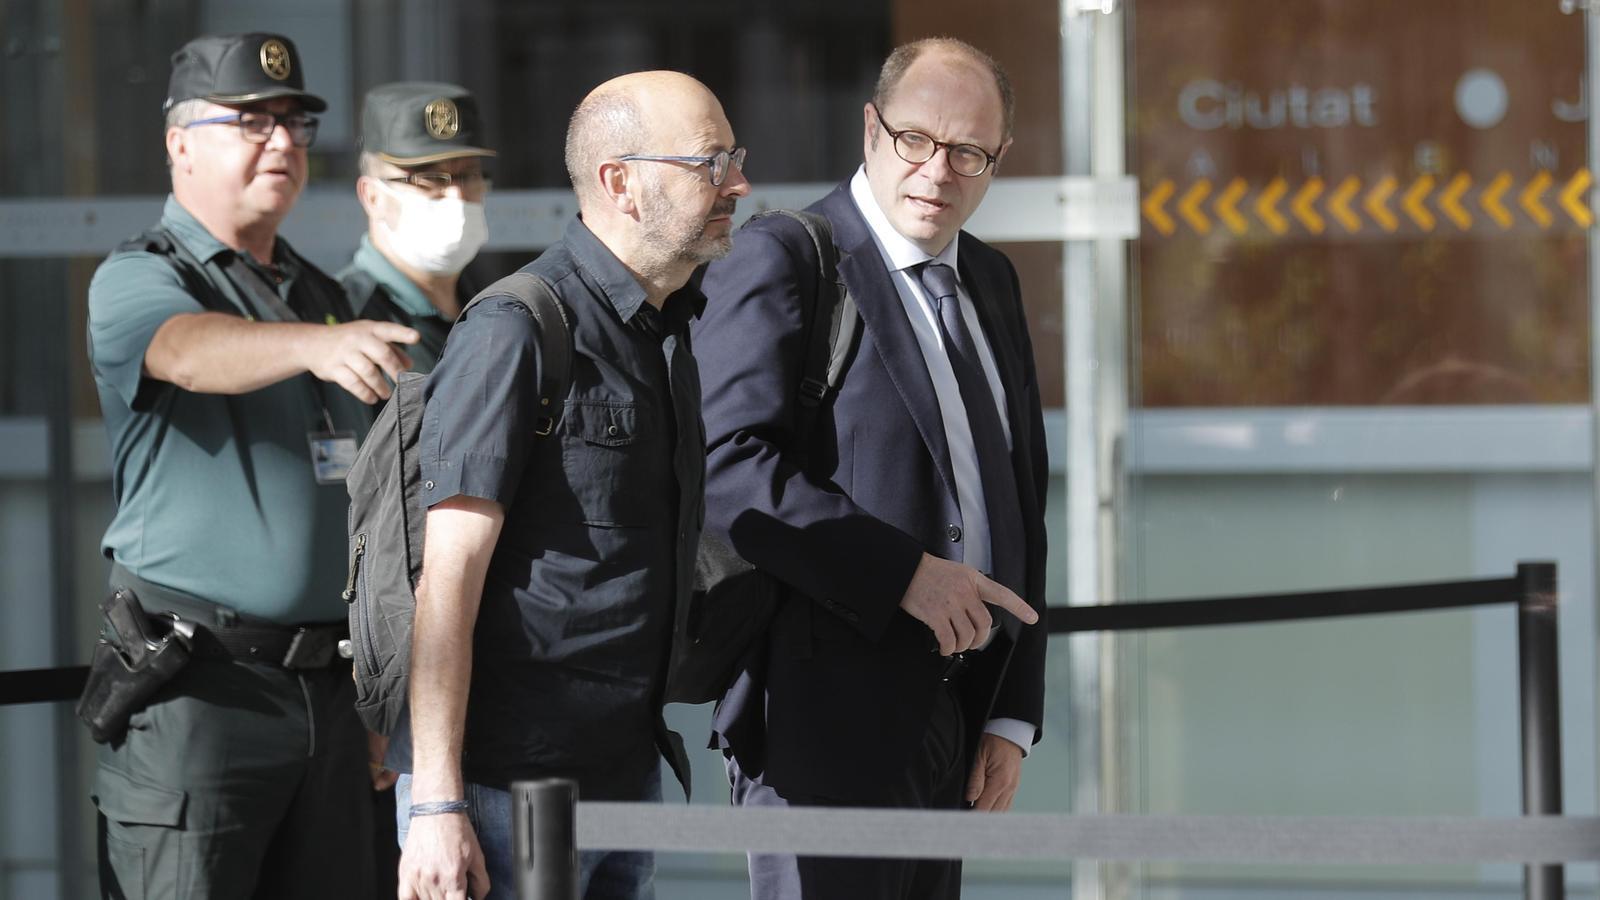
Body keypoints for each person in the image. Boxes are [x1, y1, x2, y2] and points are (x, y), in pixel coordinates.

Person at [694, 38, 1048, 899]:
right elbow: (724, 465)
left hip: (956, 717)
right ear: (869, 129)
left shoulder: (991, 279)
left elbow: (1021, 497)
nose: (938, 170)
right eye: (915, 139)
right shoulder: (787, 256)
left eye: (969, 152)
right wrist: (902, 577)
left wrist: (1012, 711)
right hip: (822, 719)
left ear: (997, 160)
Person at [396, 70, 750, 900]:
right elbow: (445, 582)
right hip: (502, 791)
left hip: (623, 771)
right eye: (710, 162)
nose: (738, 183)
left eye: (735, 157)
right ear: (619, 181)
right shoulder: (516, 328)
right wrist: (438, 802)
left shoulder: (666, 331)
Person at [85, 32, 419, 899]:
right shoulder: (139, 277)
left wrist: (381, 695)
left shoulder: (320, 292)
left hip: (333, 696)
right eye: (250, 121)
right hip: (202, 693)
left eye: (295, 123)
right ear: (179, 142)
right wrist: (316, 346)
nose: (280, 142)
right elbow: (185, 353)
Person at [340, 81, 497, 373]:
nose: (457, 195)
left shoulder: (495, 304)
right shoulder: (346, 319)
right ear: (372, 197)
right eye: (430, 179)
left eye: (469, 176)